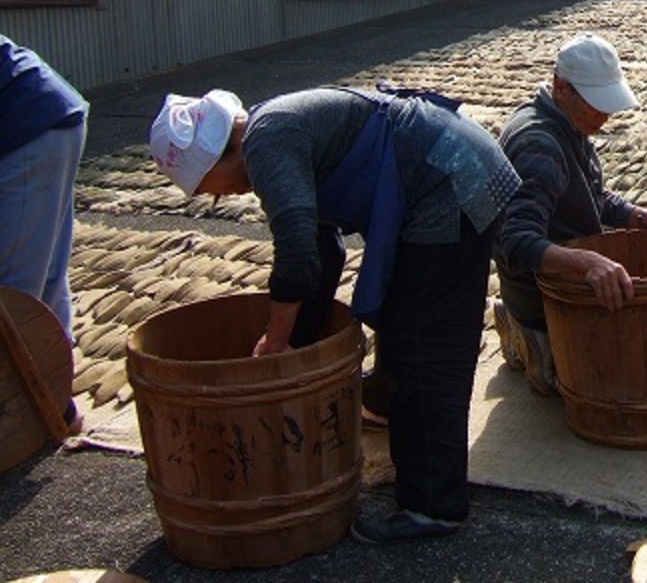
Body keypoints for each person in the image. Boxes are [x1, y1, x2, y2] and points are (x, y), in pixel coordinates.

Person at [147, 84, 519, 544]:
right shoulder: (274, 129)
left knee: (425, 345)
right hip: (451, 165)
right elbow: (326, 253)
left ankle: (433, 506)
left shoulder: (267, 141)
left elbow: (299, 258)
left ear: (213, 162)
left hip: (451, 179)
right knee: (407, 328)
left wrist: (276, 342)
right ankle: (390, 410)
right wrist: (304, 339)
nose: (219, 197)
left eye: (208, 189)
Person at [493, 33, 647, 395]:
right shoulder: (540, 145)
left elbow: (591, 197)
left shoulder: (565, 122)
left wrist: (642, 216)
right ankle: (529, 336)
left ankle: (526, 328)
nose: (605, 115)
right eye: (594, 104)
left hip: (557, 277)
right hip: (546, 296)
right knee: (627, 374)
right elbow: (515, 243)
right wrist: (587, 264)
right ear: (561, 87)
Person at [0, 35, 89, 433]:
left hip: (29, 125)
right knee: (46, 265)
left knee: (14, 283)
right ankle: (56, 395)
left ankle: (36, 408)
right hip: (53, 115)